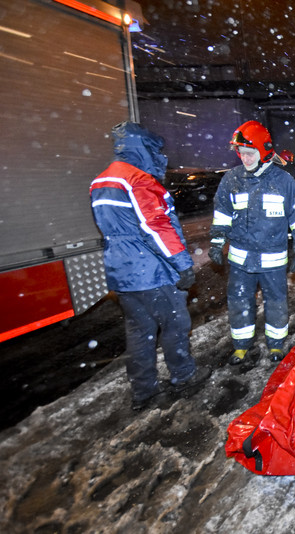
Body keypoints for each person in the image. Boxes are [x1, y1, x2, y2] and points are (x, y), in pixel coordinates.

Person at [90, 121, 210, 411]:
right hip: (151, 271)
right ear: (142, 148)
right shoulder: (137, 180)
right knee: (175, 325)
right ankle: (184, 375)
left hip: (122, 272)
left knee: (139, 331)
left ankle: (143, 391)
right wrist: (182, 264)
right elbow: (155, 227)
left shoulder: (101, 181)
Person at [209, 121, 295, 365]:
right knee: (239, 302)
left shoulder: (284, 181)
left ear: (264, 151)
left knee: (276, 303)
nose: (244, 158)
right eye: (241, 153)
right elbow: (222, 213)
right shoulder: (231, 180)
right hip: (241, 260)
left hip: (272, 260)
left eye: (250, 153)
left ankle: (276, 345)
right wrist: (215, 242)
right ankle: (241, 347)